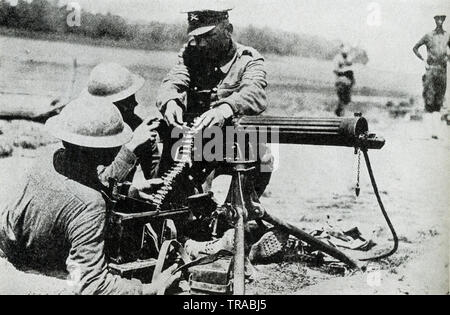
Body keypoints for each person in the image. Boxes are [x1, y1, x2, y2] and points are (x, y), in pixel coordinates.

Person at [0, 96, 180, 295]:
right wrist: (150, 289)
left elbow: (75, 186)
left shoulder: (50, 158)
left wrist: (129, 190)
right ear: (108, 150)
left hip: (12, 254)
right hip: (43, 277)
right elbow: (92, 285)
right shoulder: (90, 204)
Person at [156, 4, 286, 263]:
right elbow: (173, 80)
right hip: (195, 143)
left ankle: (233, 226)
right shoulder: (190, 54)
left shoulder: (248, 59)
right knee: (176, 198)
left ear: (228, 30)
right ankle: (188, 230)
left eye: (208, 36)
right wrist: (170, 100)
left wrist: (226, 108)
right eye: (196, 37)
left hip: (233, 144)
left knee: (262, 154)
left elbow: (256, 93)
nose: (201, 44)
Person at [84, 63, 161, 181]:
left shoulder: (135, 125)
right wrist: (132, 145)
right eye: (127, 101)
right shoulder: (87, 131)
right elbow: (101, 183)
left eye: (133, 98)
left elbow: (154, 177)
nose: (135, 104)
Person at [413, 14, 450, 139]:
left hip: (442, 71)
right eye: (437, 19)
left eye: (442, 19)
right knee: (429, 100)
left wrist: (447, 58)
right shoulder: (428, 35)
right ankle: (428, 132)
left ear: (444, 20)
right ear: (434, 20)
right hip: (431, 70)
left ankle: (437, 132)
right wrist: (423, 60)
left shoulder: (447, 36)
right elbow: (415, 48)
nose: (439, 21)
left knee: (439, 101)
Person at [333, 44, 355, 117]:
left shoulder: (349, 58)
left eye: (346, 53)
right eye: (344, 54)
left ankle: (340, 113)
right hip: (341, 81)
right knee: (342, 98)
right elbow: (335, 71)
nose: (345, 55)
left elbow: (350, 67)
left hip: (348, 81)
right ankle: (339, 113)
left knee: (347, 100)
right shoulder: (337, 58)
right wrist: (343, 74)